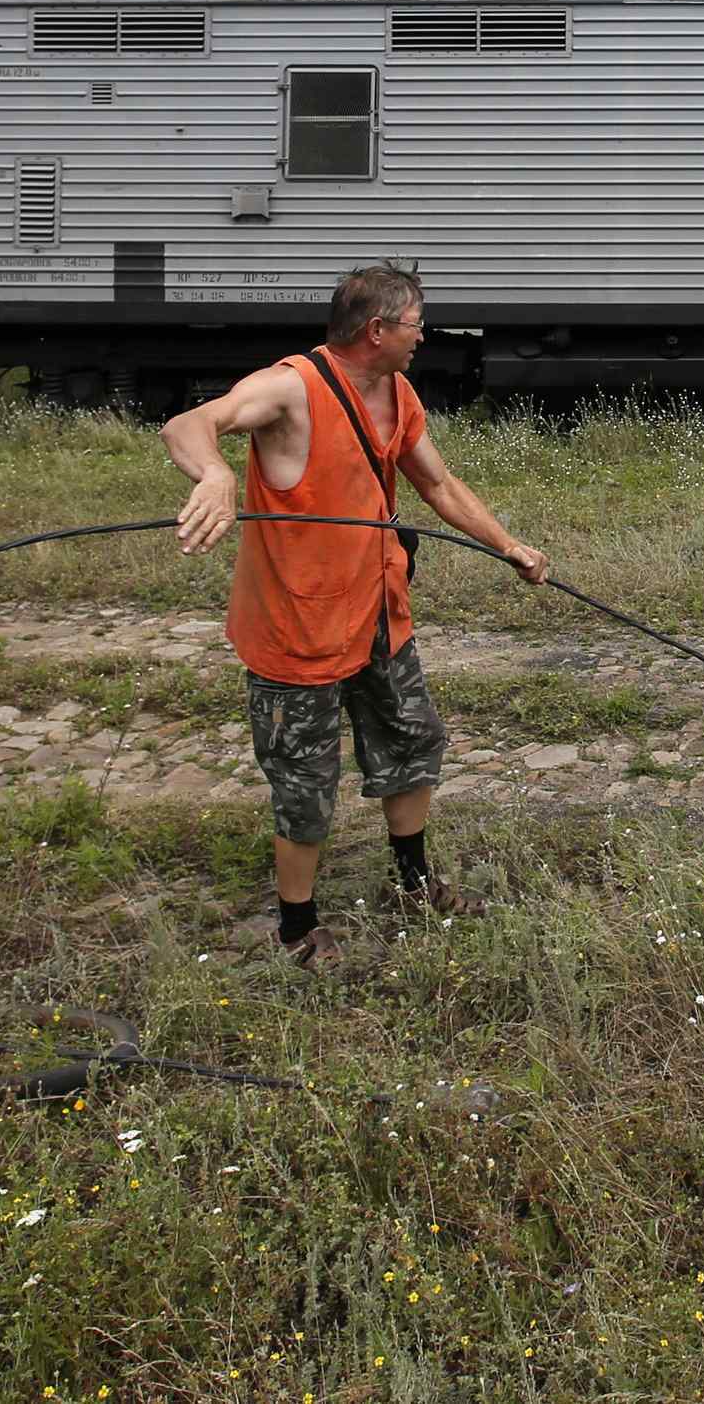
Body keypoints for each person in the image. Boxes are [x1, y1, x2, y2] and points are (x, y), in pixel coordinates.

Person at [162, 261, 548, 972]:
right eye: (415, 326)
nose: (423, 337)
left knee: (412, 742)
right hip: (297, 630)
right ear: (378, 330)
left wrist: (508, 546)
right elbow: (192, 423)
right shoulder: (290, 388)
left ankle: (413, 883)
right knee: (306, 785)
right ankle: (298, 928)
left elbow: (436, 481)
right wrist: (216, 474)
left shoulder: (396, 392)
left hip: (377, 613)